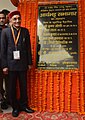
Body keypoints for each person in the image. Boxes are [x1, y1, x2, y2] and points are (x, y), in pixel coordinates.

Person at [1, 10, 35, 117]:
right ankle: (15, 107)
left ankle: (24, 105)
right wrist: (4, 65)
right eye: (15, 19)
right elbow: (3, 50)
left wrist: (29, 62)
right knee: (11, 88)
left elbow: (28, 48)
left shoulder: (25, 31)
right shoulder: (5, 32)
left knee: (23, 86)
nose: (17, 21)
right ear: (10, 20)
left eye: (19, 18)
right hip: (10, 65)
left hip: (23, 64)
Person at [0, 10, 9, 111]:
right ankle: (2, 101)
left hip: (8, 61)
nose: (1, 20)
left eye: (3, 18)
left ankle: (7, 99)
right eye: (0, 18)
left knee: (9, 82)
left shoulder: (8, 29)